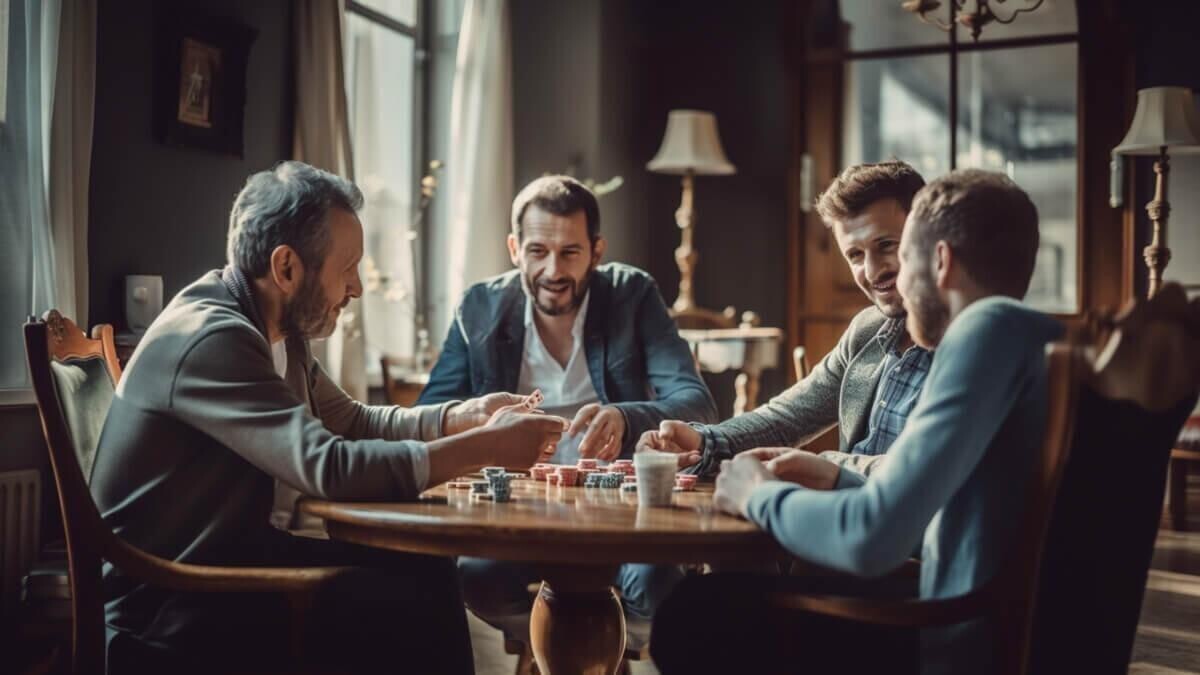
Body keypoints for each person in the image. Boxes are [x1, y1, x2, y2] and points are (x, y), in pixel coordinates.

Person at [91, 161, 565, 674]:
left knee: (426, 569)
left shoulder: (277, 331)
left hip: (227, 564)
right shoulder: (213, 338)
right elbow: (328, 467)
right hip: (170, 606)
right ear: (287, 267)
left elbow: (355, 422)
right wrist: (489, 448)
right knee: (404, 603)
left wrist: (465, 416)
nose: (357, 287)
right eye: (348, 268)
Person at [650, 169, 1060, 675]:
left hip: (939, 634)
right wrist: (831, 475)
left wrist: (759, 494)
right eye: (855, 256)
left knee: (694, 619)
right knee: (723, 595)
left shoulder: (984, 333)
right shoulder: (1036, 341)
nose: (883, 275)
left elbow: (872, 539)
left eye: (900, 254)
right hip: (960, 613)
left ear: (940, 260)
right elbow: (960, 503)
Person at [418, 175, 718, 650]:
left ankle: (609, 646)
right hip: (511, 512)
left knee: (661, 587)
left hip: (618, 514)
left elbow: (696, 402)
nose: (553, 269)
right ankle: (554, 647)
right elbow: (429, 413)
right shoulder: (480, 305)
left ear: (597, 251)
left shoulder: (632, 294)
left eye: (570, 253)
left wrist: (624, 416)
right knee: (476, 576)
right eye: (538, 251)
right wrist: (482, 422)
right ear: (515, 248)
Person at [639, 161, 931, 481]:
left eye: (886, 245)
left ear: (927, 236)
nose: (873, 272)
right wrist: (703, 441)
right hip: (846, 519)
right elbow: (786, 418)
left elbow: (930, 468)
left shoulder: (968, 340)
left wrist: (827, 467)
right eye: (856, 256)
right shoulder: (868, 329)